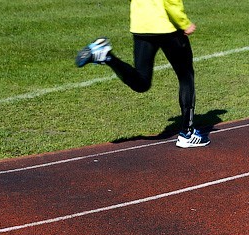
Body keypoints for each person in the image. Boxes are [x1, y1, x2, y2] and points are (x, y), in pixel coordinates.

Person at [75, 0, 210, 148]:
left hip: (141, 24)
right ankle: (187, 133)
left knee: (142, 82)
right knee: (186, 76)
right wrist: (184, 22)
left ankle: (106, 56)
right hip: (167, 26)